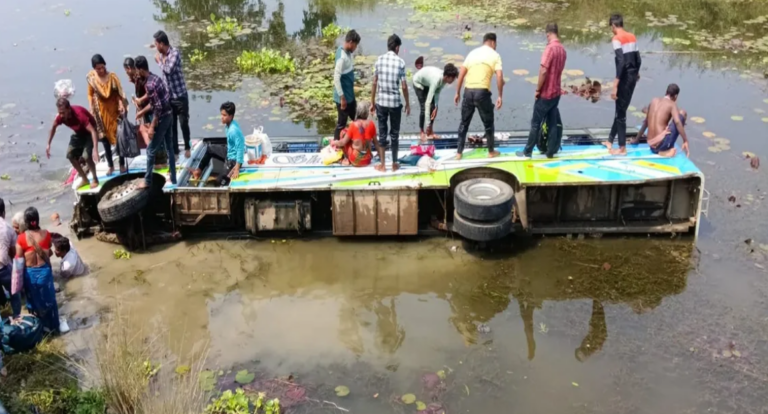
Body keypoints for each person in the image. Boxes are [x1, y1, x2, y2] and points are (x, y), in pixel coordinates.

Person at [517, 23, 567, 159]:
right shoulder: (562, 50)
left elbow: (543, 70)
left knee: (535, 123)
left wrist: (538, 89)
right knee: (552, 123)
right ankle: (550, 151)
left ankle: (527, 151)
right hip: (556, 93)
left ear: (548, 34)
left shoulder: (549, 49)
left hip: (546, 94)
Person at [454, 33, 504, 160]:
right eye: (496, 44)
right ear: (493, 42)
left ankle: (459, 153)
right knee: (488, 123)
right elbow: (499, 76)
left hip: (468, 91)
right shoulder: (495, 55)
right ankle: (491, 152)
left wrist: (457, 92)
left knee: (464, 124)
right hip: (482, 93)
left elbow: (461, 73)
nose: (496, 46)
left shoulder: (472, 53)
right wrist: (500, 96)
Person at [134, 55, 177, 189]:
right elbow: (156, 102)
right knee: (169, 147)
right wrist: (142, 111)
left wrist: (152, 126)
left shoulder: (149, 84)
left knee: (150, 150)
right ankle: (174, 178)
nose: (136, 73)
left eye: (137, 70)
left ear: (140, 69)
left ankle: (147, 181)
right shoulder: (155, 78)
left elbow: (157, 107)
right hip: (169, 114)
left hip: (163, 118)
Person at [15, 207, 59, 333]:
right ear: (37, 220)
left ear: (26, 222)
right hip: (45, 273)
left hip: (30, 275)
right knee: (50, 301)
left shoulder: (21, 238)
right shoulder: (46, 234)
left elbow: (18, 260)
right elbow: (48, 249)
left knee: (34, 303)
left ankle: (40, 328)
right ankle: (54, 327)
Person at [604, 13, 642, 156]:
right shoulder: (632, 36)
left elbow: (620, 62)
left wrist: (615, 83)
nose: (612, 30)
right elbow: (638, 59)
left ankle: (622, 148)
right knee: (621, 109)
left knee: (621, 114)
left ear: (614, 25)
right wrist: (636, 72)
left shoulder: (616, 39)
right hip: (632, 77)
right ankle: (609, 140)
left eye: (611, 28)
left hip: (624, 78)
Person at [372, 34, 410, 171]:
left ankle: (382, 165)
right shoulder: (400, 62)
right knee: (394, 134)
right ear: (397, 47)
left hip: (381, 102)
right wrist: (407, 103)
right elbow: (404, 86)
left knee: (382, 134)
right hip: (395, 103)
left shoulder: (379, 60)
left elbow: (374, 83)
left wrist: (372, 102)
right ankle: (394, 163)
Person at [46, 98, 100, 189]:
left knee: (87, 157)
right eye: (59, 112)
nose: (61, 115)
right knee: (70, 155)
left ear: (69, 109)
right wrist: (48, 144)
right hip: (78, 132)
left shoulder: (79, 115)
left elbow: (93, 131)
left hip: (90, 132)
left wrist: (95, 149)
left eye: (63, 112)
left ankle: (95, 179)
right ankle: (84, 179)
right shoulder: (60, 117)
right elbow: (53, 127)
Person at [87, 54, 127, 175]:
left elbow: (119, 93)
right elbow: (90, 94)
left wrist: (121, 104)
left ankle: (121, 164)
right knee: (105, 140)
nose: (100, 70)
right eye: (97, 68)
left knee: (119, 138)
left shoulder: (112, 78)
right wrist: (91, 106)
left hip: (114, 111)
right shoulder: (92, 78)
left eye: (101, 67)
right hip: (100, 113)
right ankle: (110, 166)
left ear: (105, 66)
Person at [125, 58, 168, 169]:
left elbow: (150, 95)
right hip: (148, 109)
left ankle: (162, 161)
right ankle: (157, 159)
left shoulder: (146, 79)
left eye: (127, 70)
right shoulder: (138, 78)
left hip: (152, 109)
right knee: (151, 133)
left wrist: (140, 101)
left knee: (156, 133)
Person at [154, 30, 191, 158]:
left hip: (180, 96)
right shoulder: (163, 56)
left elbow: (169, 70)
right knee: (172, 125)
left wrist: (159, 62)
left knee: (183, 123)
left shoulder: (174, 53)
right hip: (169, 98)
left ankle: (187, 146)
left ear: (162, 44)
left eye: (156, 44)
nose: (156, 47)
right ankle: (175, 151)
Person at [190, 102, 245, 186]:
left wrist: (237, 168)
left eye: (224, 115)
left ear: (230, 116)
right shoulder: (229, 125)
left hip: (233, 161)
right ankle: (198, 171)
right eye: (221, 114)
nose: (221, 118)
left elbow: (240, 148)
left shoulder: (233, 130)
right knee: (209, 149)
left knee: (219, 182)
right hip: (229, 152)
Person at [333, 101, 386, 171]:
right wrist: (381, 158)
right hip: (367, 159)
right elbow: (376, 143)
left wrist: (334, 142)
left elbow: (343, 142)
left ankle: (345, 159)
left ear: (357, 112)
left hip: (355, 160)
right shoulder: (371, 124)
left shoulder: (353, 124)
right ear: (367, 112)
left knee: (343, 132)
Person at [640, 84, 690, 158]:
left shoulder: (654, 100)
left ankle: (662, 150)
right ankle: (664, 151)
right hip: (661, 145)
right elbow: (677, 122)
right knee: (682, 113)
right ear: (675, 96)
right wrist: (685, 140)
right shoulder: (672, 104)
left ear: (666, 92)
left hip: (651, 144)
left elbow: (646, 122)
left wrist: (637, 139)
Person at [413, 62, 459, 141]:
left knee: (433, 107)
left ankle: (430, 131)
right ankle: (422, 132)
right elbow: (427, 103)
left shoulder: (444, 80)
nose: (454, 80)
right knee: (424, 107)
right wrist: (428, 124)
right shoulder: (436, 80)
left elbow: (437, 92)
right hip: (418, 83)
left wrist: (436, 106)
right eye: (453, 78)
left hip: (427, 83)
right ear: (447, 76)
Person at [333, 30, 361, 142]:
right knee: (341, 123)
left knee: (358, 118)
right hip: (343, 98)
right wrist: (342, 97)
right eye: (355, 45)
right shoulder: (341, 58)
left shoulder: (348, 53)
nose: (355, 48)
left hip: (350, 96)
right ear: (350, 42)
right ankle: (337, 145)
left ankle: (358, 140)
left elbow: (349, 71)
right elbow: (336, 78)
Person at [0, 198, 21, 317]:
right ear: (3, 212)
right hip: (3, 269)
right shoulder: (8, 228)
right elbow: (13, 253)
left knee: (1, 299)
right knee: (15, 294)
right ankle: (17, 317)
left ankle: (4, 318)